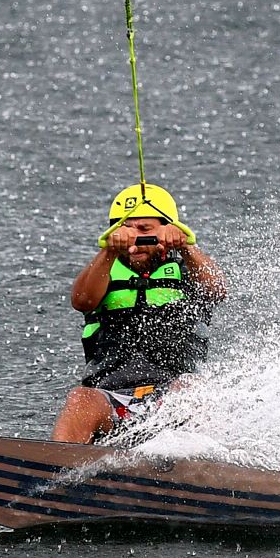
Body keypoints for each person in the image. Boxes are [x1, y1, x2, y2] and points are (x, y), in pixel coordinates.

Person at [51, 183, 228, 443]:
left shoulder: (187, 269)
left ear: (167, 229)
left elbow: (217, 290)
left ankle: (206, 466)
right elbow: (82, 300)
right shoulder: (104, 269)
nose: (135, 237)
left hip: (171, 397)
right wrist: (109, 250)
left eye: (145, 229)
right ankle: (55, 470)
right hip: (112, 401)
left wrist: (186, 246)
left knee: (192, 390)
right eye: (127, 228)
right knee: (80, 398)